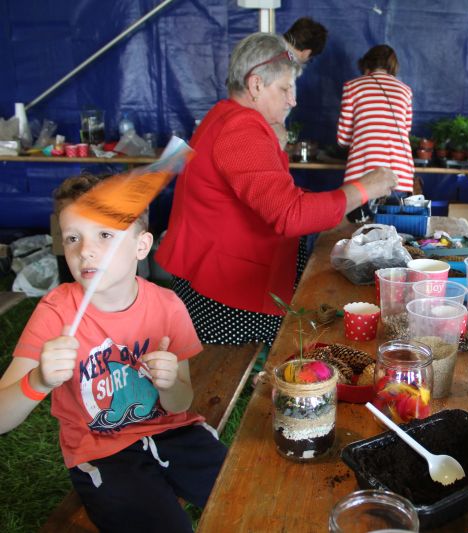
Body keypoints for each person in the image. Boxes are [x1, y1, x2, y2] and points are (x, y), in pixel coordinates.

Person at [0, 175, 226, 532]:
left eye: (105, 234)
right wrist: (37, 380)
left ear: (141, 245)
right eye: (73, 237)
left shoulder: (167, 306)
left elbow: (180, 403)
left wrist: (169, 385)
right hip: (102, 452)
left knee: (241, 498)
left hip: (175, 433)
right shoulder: (56, 312)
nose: (84, 250)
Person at [155, 33, 398, 346]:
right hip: (227, 294)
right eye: (285, 88)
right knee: (317, 338)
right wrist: (363, 188)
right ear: (256, 85)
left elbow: (275, 195)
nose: (292, 100)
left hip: (211, 279)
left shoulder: (223, 115)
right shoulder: (242, 127)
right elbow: (289, 215)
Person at [337, 44, 414, 221]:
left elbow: (343, 138)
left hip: (362, 178)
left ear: (366, 65)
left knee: (359, 236)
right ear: (393, 67)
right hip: (399, 177)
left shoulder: (352, 86)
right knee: (396, 235)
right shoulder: (405, 90)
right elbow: (405, 131)